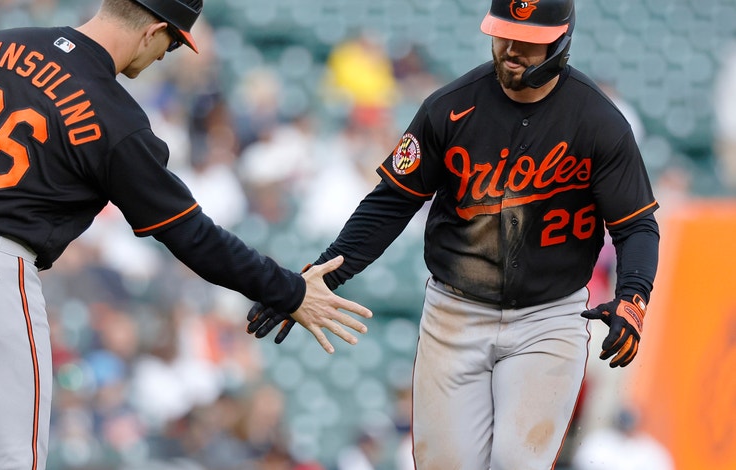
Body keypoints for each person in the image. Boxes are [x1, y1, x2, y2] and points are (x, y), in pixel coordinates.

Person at [0, 1, 372, 469]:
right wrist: (289, 291)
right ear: (154, 30)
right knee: (19, 458)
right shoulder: (115, 117)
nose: (165, 56)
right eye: (173, 45)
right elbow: (190, 235)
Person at [247, 0, 660, 468]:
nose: (510, 49)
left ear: (561, 41)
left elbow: (637, 226)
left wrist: (634, 296)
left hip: (548, 318)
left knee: (515, 463)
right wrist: (323, 275)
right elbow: (392, 201)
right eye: (503, 34)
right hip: (455, 312)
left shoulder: (598, 122)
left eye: (526, 41)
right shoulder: (450, 107)